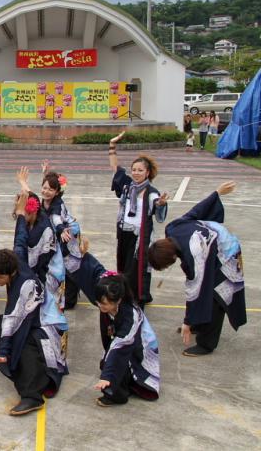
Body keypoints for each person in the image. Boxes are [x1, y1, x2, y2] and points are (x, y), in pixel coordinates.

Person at [0, 191, 67, 416]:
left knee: (22, 346)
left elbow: (14, 319)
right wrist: (20, 216)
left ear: (7, 273)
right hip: (29, 318)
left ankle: (32, 396)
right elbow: (20, 239)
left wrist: (4, 350)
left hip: (44, 325)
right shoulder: (17, 261)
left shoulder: (25, 285)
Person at [148, 182, 246, 356]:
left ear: (171, 258)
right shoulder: (172, 229)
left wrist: (187, 322)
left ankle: (207, 343)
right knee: (201, 290)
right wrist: (216, 193)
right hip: (212, 248)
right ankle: (198, 322)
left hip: (227, 254)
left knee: (216, 296)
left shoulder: (194, 253)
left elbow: (196, 289)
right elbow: (195, 211)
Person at [109, 132, 168, 307]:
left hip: (140, 237)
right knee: (125, 266)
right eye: (134, 169)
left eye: (140, 170)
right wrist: (112, 145)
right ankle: (132, 294)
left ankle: (136, 298)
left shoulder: (152, 192)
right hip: (124, 233)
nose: (136, 173)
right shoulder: (128, 187)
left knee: (137, 269)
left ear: (148, 173)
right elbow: (115, 168)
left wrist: (161, 203)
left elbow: (156, 205)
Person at [92, 274, 160, 407]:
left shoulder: (131, 316)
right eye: (98, 302)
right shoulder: (108, 304)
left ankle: (118, 395)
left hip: (139, 348)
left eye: (104, 303)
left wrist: (107, 375)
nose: (100, 306)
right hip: (123, 343)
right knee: (110, 359)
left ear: (118, 300)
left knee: (116, 362)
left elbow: (120, 345)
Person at [18, 165, 78, 308]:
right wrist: (45, 172)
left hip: (65, 236)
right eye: (44, 188)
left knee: (66, 269)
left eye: (51, 189)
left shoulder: (57, 205)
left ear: (57, 192)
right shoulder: (45, 199)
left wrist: (62, 229)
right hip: (56, 236)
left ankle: (66, 300)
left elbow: (56, 220)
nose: (46, 191)